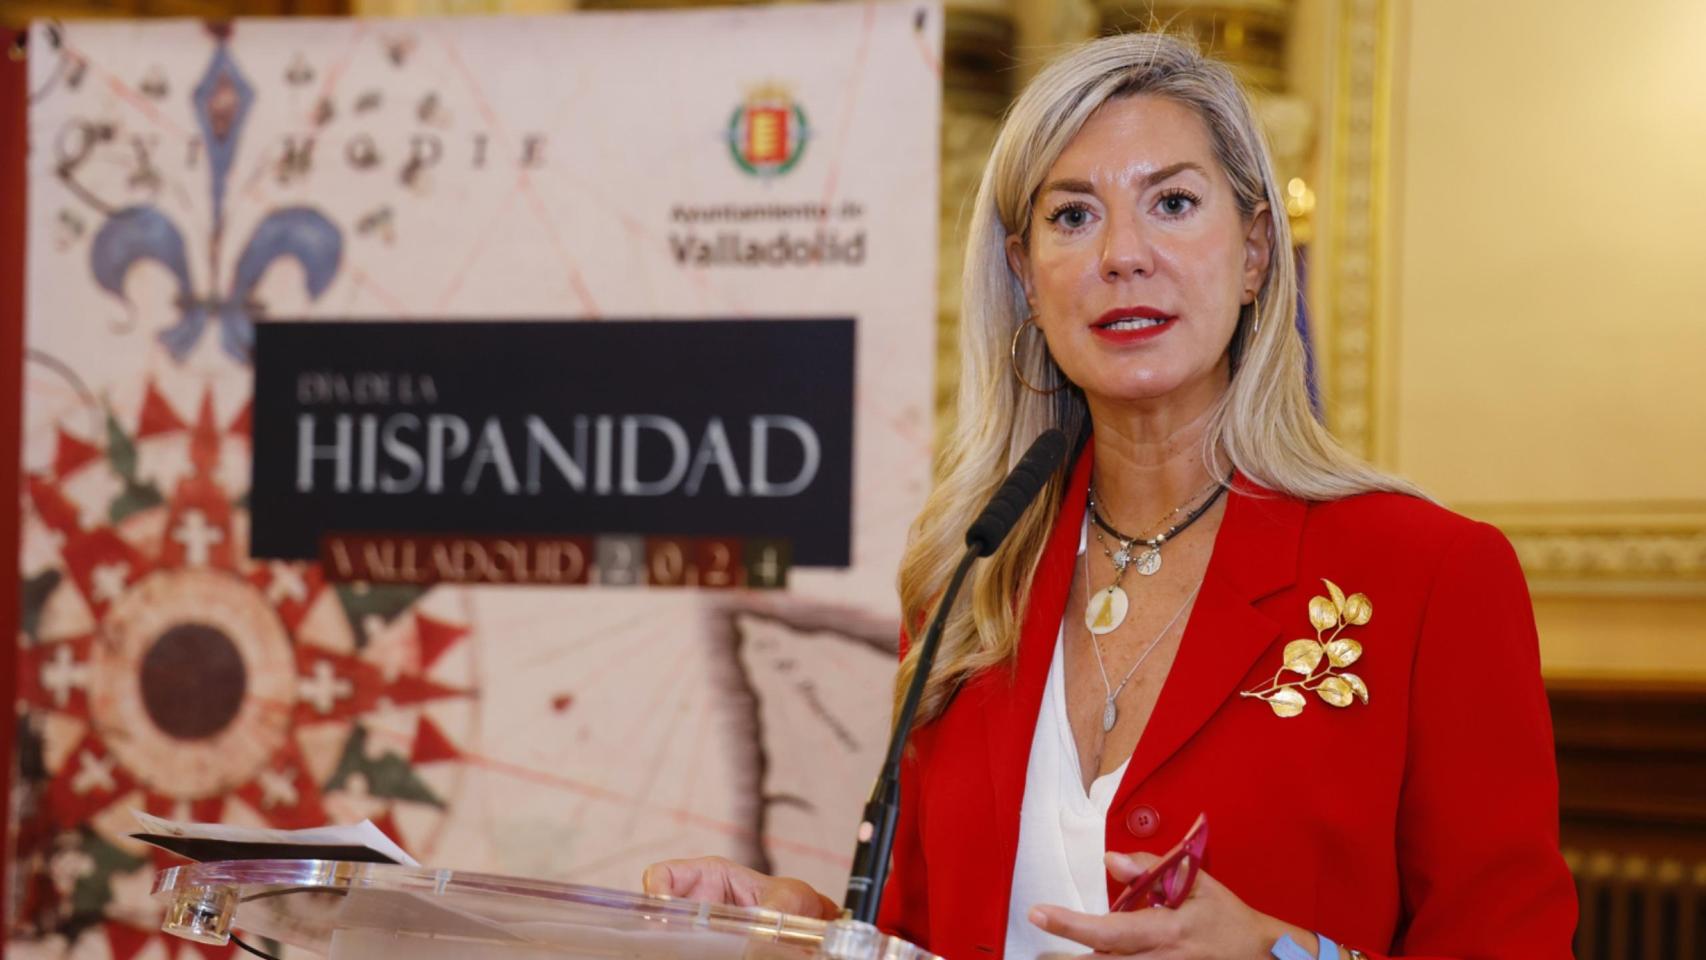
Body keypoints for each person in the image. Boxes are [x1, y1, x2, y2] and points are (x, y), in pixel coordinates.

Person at [644, 32, 1577, 960]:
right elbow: (925, 931)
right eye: (1073, 216)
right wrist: (796, 926)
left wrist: (1279, 957)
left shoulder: (1430, 574)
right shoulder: (969, 577)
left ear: (1256, 253)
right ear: (1025, 274)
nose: (1123, 254)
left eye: (1172, 202)